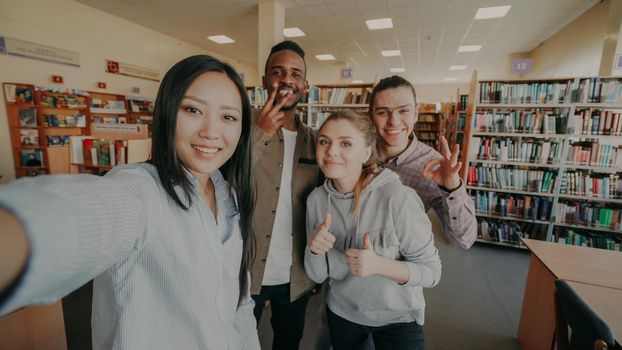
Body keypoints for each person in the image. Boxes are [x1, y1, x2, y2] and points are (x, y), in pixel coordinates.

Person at [0, 55, 259, 349]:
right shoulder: (141, 189)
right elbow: (85, 215)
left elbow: (240, 303)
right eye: (192, 109)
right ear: (167, 113)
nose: (211, 132)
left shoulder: (229, 197)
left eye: (228, 117)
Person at [304, 110, 441, 350]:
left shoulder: (397, 198)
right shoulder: (316, 200)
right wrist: (313, 249)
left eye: (345, 143)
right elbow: (317, 275)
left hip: (397, 319)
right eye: (324, 141)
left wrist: (378, 265)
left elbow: (431, 272)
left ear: (366, 152)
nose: (331, 151)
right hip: (343, 314)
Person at [250, 40, 322, 349]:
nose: (286, 79)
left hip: (296, 276)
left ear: (305, 85)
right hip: (246, 273)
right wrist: (260, 133)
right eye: (277, 72)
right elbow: (224, 179)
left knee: (288, 344)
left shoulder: (317, 142)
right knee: (235, 342)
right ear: (265, 80)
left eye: (295, 73)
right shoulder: (240, 126)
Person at [368, 76, 477, 249]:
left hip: (396, 264)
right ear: (371, 116)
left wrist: (452, 188)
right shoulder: (356, 150)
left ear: (416, 114)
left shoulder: (433, 166)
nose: (393, 121)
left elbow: (464, 239)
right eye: (382, 112)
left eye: (403, 111)